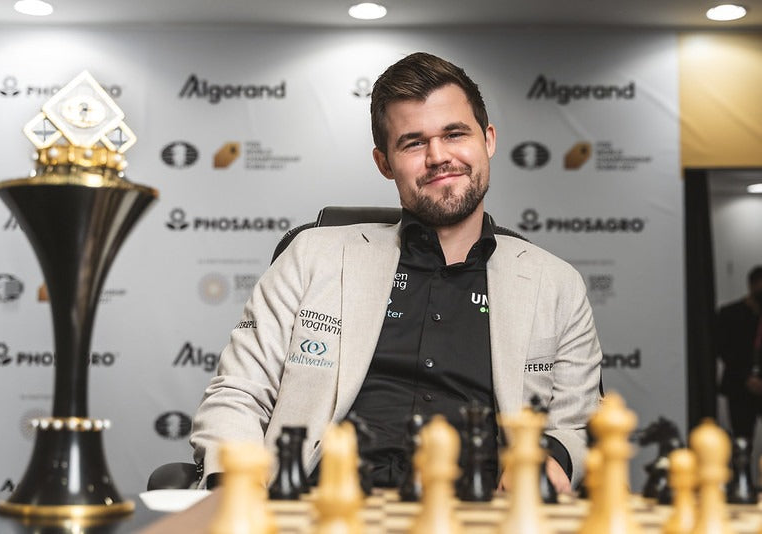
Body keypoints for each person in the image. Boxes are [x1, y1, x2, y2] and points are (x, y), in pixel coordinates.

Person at [190, 52, 603, 492]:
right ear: (384, 162)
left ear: (488, 140)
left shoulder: (556, 285)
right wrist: (231, 494)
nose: (439, 156)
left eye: (454, 134)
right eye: (413, 142)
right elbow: (237, 394)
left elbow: (577, 425)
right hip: (319, 511)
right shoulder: (310, 257)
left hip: (476, 516)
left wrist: (548, 461)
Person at [716, 265, 762, 440]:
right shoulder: (729, 314)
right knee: (742, 440)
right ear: (751, 285)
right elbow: (724, 349)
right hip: (739, 387)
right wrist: (747, 377)